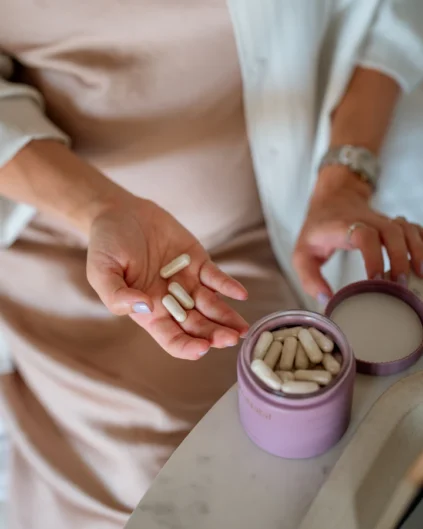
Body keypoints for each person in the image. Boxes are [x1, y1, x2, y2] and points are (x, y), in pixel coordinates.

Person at [0, 0, 422, 527]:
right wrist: (100, 208)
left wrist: (343, 181)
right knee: (153, 476)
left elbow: (388, 12)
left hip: (255, 231)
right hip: (78, 240)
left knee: (304, 475)